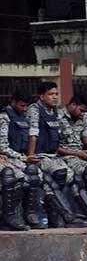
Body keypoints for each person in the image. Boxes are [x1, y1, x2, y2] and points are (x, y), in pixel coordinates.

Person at [26, 82, 87, 226]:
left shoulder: (55, 111)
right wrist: (30, 156)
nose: (54, 97)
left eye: (56, 94)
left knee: (74, 179)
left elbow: (58, 138)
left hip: (54, 155)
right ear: (42, 96)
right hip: (39, 155)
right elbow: (33, 134)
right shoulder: (34, 110)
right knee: (57, 176)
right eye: (50, 94)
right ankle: (64, 216)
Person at [0, 89, 45, 228]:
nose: (25, 109)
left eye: (26, 106)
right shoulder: (4, 117)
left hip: (16, 157)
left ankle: (30, 214)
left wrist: (27, 157)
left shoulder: (22, 116)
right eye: (22, 105)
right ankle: (8, 216)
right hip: (9, 157)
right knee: (15, 177)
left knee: (34, 174)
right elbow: (2, 146)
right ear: (13, 102)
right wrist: (23, 158)